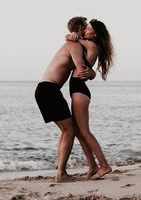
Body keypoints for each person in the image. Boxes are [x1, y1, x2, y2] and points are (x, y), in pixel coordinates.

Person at [34, 16, 95, 182]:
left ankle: (61, 171)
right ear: (81, 28)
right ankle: (61, 173)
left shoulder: (71, 42)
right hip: (49, 90)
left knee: (66, 131)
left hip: (46, 90)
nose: (87, 29)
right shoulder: (73, 44)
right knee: (70, 130)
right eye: (86, 26)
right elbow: (81, 69)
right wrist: (92, 72)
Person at [66, 19, 114, 180]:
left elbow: (71, 38)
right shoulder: (90, 45)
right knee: (80, 132)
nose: (86, 30)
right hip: (78, 90)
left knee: (84, 131)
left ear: (96, 33)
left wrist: (74, 35)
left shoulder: (92, 46)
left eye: (89, 28)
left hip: (80, 90)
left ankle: (104, 165)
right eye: (85, 28)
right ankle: (92, 166)